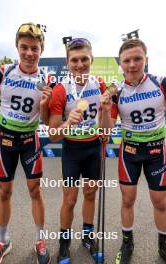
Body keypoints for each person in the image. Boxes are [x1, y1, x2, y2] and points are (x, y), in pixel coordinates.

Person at [40, 37, 113, 264]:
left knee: (90, 194)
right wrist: (67, 124)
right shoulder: (61, 90)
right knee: (70, 199)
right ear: (68, 62)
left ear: (91, 59)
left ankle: (88, 238)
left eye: (84, 59)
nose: (80, 64)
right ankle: (64, 243)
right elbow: (53, 134)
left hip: (93, 148)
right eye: (74, 60)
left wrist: (107, 113)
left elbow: (106, 131)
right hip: (71, 149)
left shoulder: (99, 85)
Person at [0, 22, 52, 264]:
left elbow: (47, 120)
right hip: (5, 139)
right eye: (24, 47)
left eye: (34, 48)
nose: (29, 53)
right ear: (17, 48)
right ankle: (3, 241)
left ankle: (40, 239)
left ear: (41, 50)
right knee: (4, 191)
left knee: (35, 190)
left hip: (29, 140)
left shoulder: (46, 79)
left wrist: (45, 106)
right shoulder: (2, 72)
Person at [111, 39, 166, 263]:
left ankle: (163, 243)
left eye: (137, 59)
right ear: (120, 64)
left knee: (161, 201)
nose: (132, 64)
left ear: (146, 60)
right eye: (127, 60)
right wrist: (106, 110)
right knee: (127, 199)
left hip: (157, 151)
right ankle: (127, 242)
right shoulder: (116, 91)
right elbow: (105, 129)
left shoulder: (161, 83)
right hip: (130, 152)